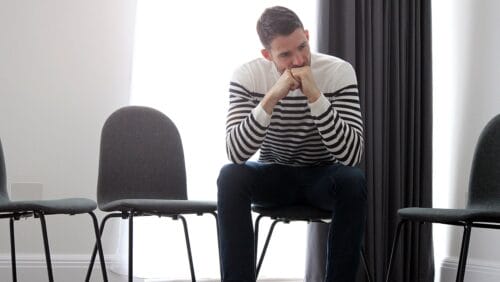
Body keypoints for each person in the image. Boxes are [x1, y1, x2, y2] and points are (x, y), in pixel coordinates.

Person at [217, 6, 367, 282]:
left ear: (308, 36)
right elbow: (236, 151)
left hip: (323, 176)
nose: (299, 60)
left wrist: (314, 94)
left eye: (302, 47)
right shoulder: (247, 76)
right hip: (274, 175)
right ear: (267, 55)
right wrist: (271, 98)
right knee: (230, 175)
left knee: (353, 179)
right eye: (285, 55)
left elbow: (351, 154)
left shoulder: (339, 71)